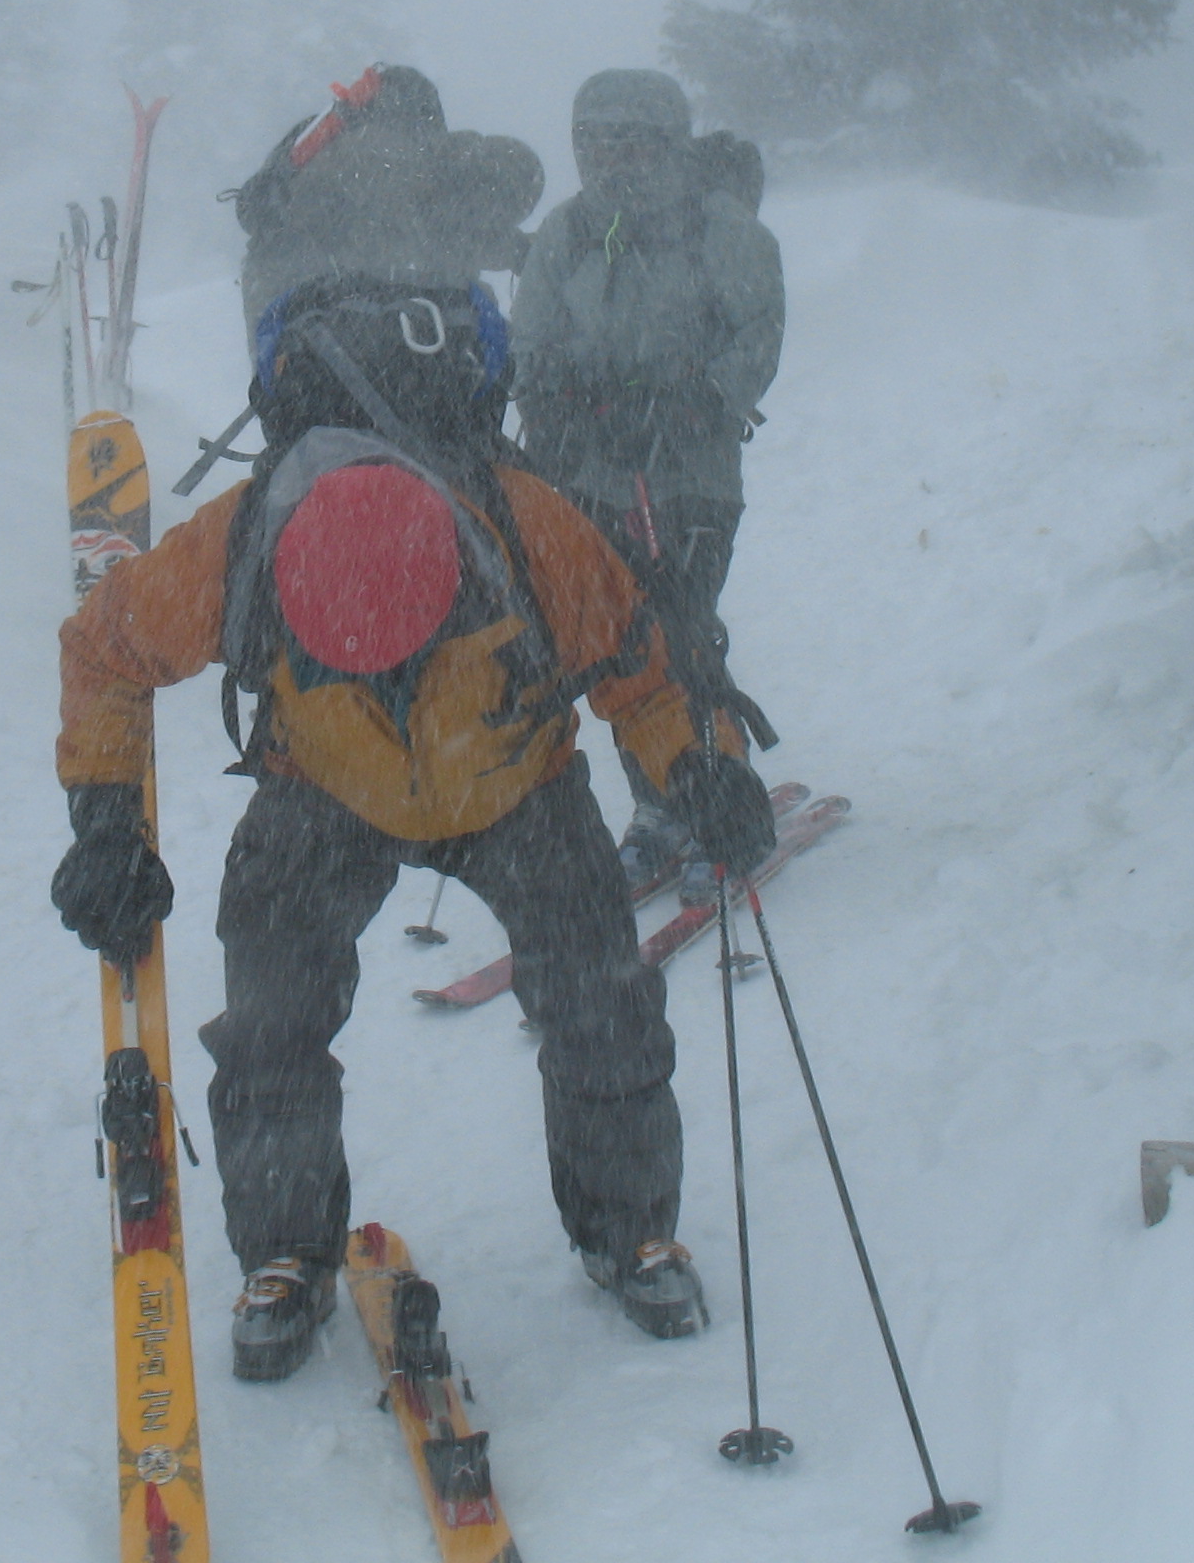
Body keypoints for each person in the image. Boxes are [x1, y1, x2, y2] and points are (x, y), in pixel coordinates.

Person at [48, 276, 778, 1380]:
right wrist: (104, 822)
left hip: (518, 783)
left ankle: (630, 1230)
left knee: (601, 1007)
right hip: (322, 788)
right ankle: (285, 1257)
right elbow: (104, 651)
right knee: (270, 1027)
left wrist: (701, 766)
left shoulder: (534, 532)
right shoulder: (239, 541)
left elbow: (646, 664)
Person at [512, 69, 784, 895]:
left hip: (692, 476)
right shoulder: (567, 233)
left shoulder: (722, 230)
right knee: (618, 648)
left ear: (669, 142)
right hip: (590, 475)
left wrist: (693, 401)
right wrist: (560, 406)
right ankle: (662, 807)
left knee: (685, 634)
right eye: (595, 140)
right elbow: (533, 339)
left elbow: (757, 333)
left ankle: (721, 809)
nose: (611, 156)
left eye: (631, 138)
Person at [231, 62, 543, 333]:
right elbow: (454, 236)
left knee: (289, 391)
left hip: (285, 311)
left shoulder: (329, 149)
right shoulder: (413, 167)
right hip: (352, 319)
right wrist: (523, 251)